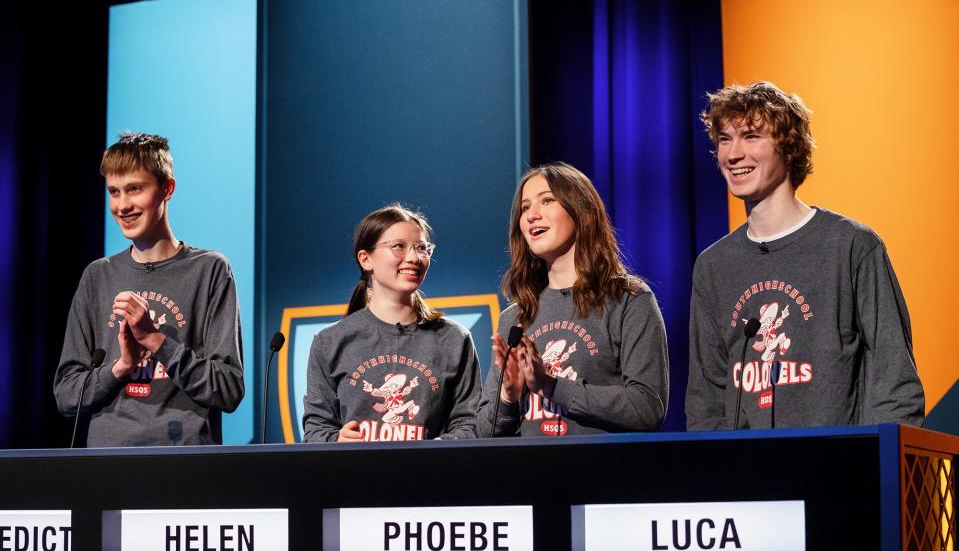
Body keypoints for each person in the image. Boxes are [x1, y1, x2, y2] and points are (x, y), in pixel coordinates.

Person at [685, 81, 924, 430]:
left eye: (751, 136)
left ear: (789, 148)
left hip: (837, 473)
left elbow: (895, 381)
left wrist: (873, 468)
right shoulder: (713, 266)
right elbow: (706, 399)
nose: (732, 154)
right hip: (750, 478)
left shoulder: (851, 246)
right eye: (725, 139)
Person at [53, 133, 245, 446]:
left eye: (135, 189)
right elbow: (66, 394)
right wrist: (122, 366)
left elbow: (228, 388)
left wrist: (155, 340)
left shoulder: (210, 270)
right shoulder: (97, 276)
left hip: (186, 469)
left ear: (167, 188)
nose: (122, 205)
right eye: (114, 192)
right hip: (109, 472)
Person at [475, 163, 668, 437]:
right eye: (525, 207)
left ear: (582, 211)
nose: (532, 215)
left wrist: (552, 387)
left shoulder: (628, 300)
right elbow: (485, 433)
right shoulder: (515, 318)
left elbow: (647, 408)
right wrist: (508, 396)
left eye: (547, 200)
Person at [302, 204, 480, 442]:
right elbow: (316, 429)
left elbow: (469, 423)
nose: (414, 258)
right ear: (366, 259)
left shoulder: (455, 338)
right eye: (399, 247)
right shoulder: (330, 342)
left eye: (422, 248)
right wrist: (337, 441)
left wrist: (436, 451)